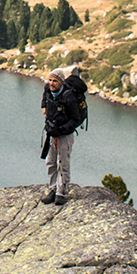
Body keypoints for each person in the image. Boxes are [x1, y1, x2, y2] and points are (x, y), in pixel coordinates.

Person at [39, 68, 89, 205]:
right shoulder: (48, 89)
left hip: (64, 136)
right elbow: (44, 97)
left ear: (61, 82)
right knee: (50, 162)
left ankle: (61, 192)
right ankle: (53, 189)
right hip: (51, 132)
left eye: (55, 81)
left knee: (63, 163)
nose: (51, 83)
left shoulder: (69, 97)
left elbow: (75, 119)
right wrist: (44, 106)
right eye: (50, 80)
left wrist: (61, 130)